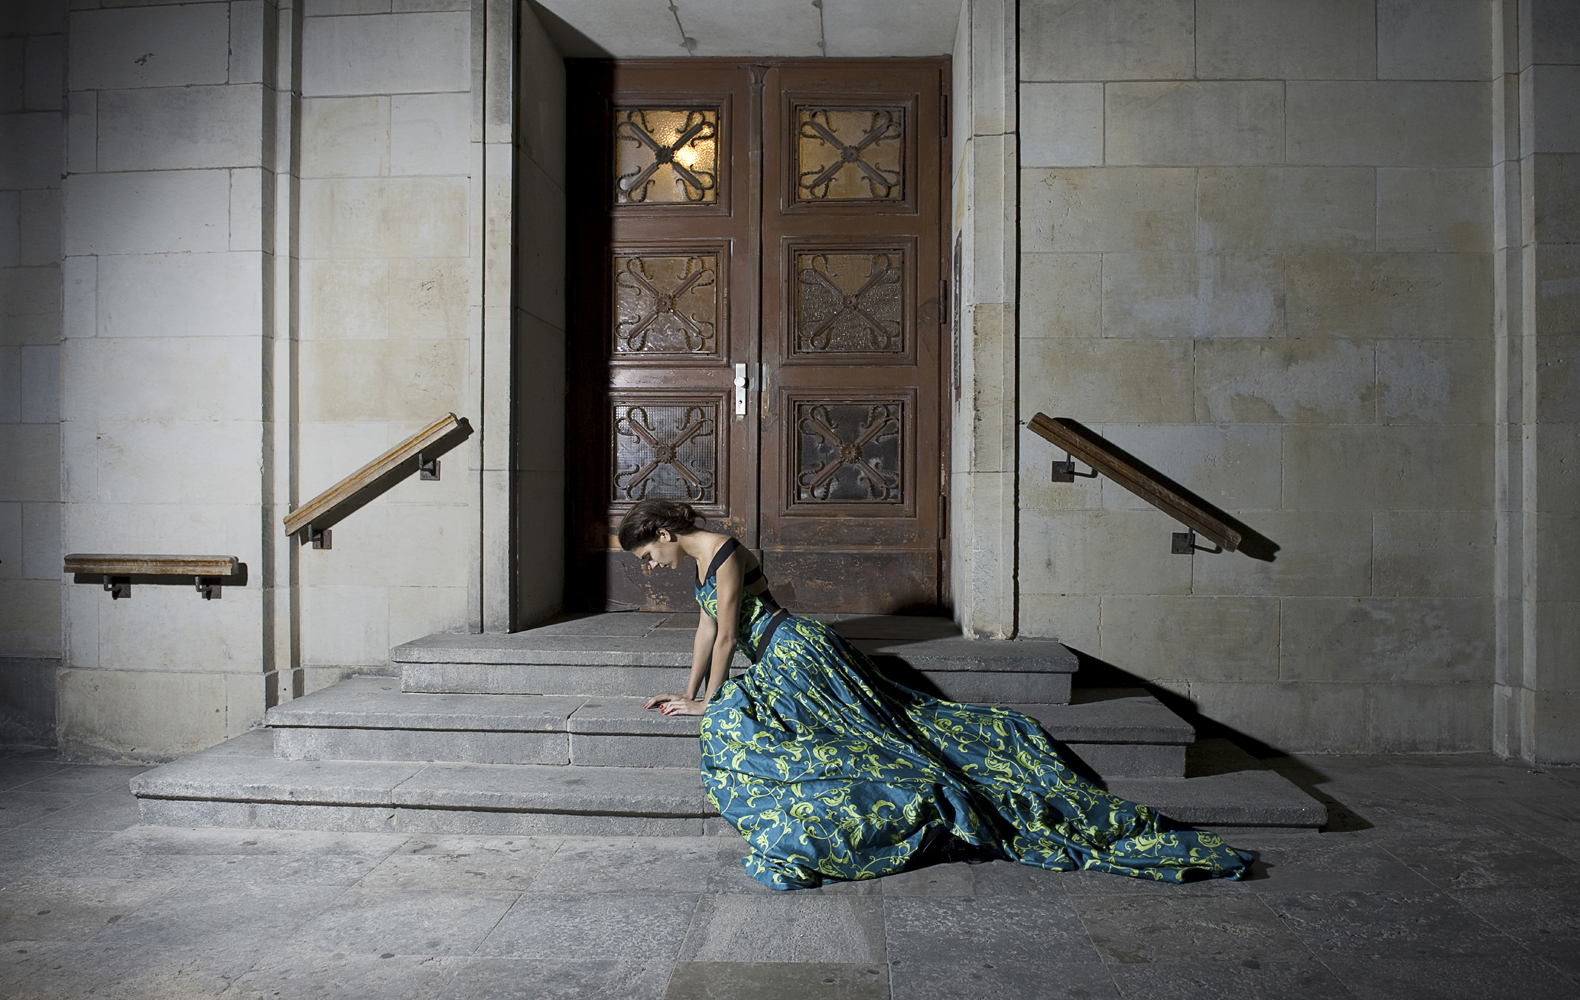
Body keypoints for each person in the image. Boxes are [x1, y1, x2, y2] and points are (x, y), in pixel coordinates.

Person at [620, 498, 1252, 890]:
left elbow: (730, 635)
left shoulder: (724, 553)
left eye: (647, 555)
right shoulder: (700, 564)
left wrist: (709, 701)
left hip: (794, 651)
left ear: (665, 533)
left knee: (877, 741)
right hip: (774, 656)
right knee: (744, 721)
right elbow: (705, 630)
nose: (650, 567)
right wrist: (687, 689)